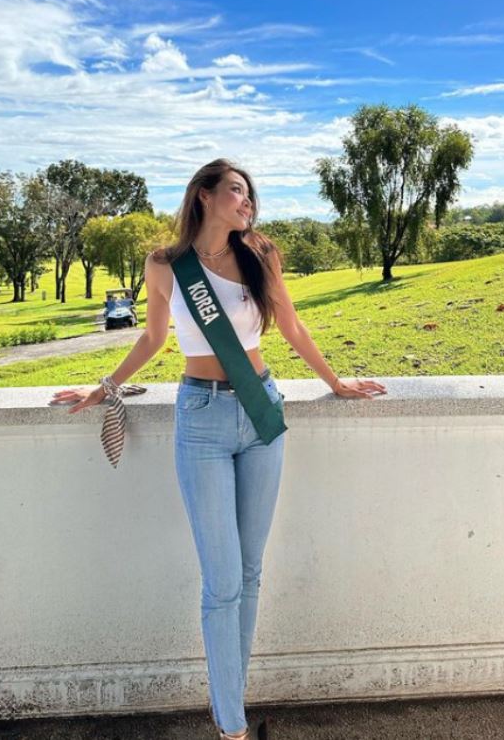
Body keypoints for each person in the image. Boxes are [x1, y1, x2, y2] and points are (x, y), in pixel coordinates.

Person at [50, 158, 387, 739]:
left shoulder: (261, 254)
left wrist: (335, 382)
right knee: (222, 581)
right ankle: (232, 726)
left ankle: (232, 703)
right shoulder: (165, 264)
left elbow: (292, 326)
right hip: (201, 418)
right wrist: (103, 387)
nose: (247, 201)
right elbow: (153, 338)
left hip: (260, 410)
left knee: (250, 573)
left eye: (250, 193)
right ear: (204, 195)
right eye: (236, 190)